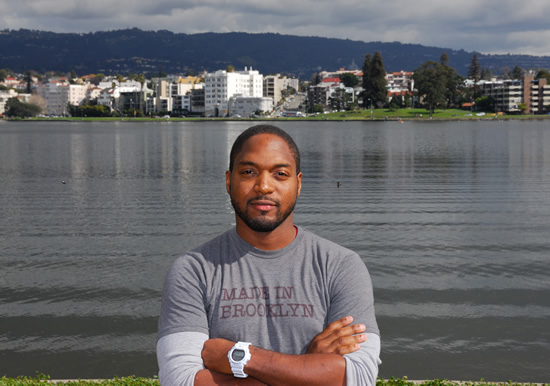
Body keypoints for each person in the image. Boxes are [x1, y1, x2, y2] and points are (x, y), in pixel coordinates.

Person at [157, 124, 381, 385]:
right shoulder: (194, 271)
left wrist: (241, 357)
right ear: (229, 181)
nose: (264, 186)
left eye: (280, 174)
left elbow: (361, 377)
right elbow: (180, 380)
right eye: (249, 172)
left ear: (298, 184)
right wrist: (308, 366)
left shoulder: (340, 266)